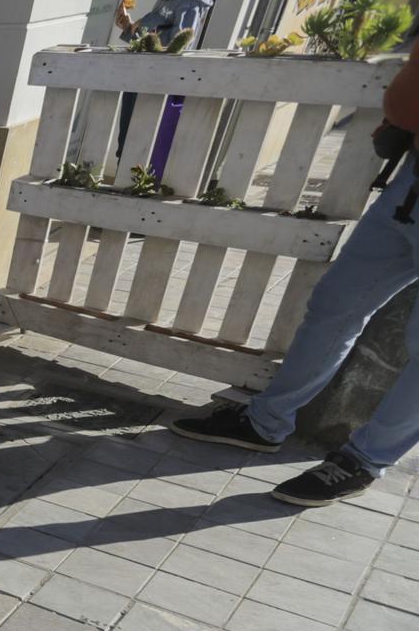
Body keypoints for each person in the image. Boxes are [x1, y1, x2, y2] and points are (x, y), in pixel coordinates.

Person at [168, 43, 419, 507]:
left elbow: (405, 100)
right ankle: (266, 424)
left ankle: (363, 461)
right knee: (336, 305)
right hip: (410, 184)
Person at [114, 0, 212, 176]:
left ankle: (133, 184)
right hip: (143, 75)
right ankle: (124, 177)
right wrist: (130, 27)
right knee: (127, 137)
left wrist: (145, 28)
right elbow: (159, 32)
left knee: (141, 139)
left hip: (157, 81)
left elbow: (180, 41)